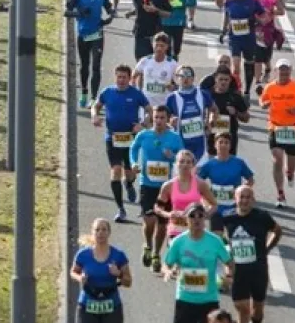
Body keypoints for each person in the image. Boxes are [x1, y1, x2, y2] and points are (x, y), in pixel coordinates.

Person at [91, 64, 150, 222]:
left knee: (130, 174)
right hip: (113, 138)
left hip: (131, 139)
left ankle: (129, 183)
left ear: (129, 78)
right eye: (119, 77)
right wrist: (94, 116)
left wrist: (142, 125)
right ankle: (120, 209)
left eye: (124, 77)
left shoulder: (136, 94)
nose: (121, 80)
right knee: (116, 170)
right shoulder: (108, 92)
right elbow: (95, 106)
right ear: (115, 77)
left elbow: (150, 110)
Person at [129, 106, 184, 273]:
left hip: (166, 187)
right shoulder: (144, 135)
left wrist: (172, 157)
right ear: (152, 118)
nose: (159, 120)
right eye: (156, 117)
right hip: (147, 184)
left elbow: (183, 157)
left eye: (162, 117)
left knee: (162, 225)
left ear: (167, 119)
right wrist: (134, 163)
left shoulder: (174, 138)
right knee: (149, 220)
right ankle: (147, 244)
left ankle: (156, 254)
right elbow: (133, 149)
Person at [163, 202, 233, 323]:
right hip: (185, 298)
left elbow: (229, 262)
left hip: (209, 299)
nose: (197, 219)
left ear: (205, 218)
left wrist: (228, 276)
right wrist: (168, 271)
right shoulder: (178, 242)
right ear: (186, 219)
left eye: (200, 215)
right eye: (192, 216)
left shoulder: (215, 241)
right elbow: (166, 264)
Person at [259, 59, 295, 208]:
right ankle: (280, 193)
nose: (284, 73)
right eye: (281, 70)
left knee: (291, 165)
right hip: (275, 128)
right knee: (277, 159)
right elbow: (262, 100)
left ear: (290, 71)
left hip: (293, 129)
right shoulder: (270, 87)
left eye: (286, 70)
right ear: (276, 71)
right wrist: (264, 105)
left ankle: (289, 173)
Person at [223, 185, 282, 323]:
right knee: (241, 306)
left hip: (258, 270)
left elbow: (277, 231)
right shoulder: (227, 218)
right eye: (241, 197)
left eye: (248, 197)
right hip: (239, 270)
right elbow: (224, 239)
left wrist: (268, 247)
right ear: (235, 198)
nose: (244, 200)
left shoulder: (262, 217)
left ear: (253, 200)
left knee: (257, 312)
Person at [70, 218, 132, 323]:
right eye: (97, 230)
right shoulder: (83, 254)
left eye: (104, 229)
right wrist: (80, 278)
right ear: (92, 232)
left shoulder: (118, 255)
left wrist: (119, 274)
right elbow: (73, 272)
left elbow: (128, 281)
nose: (100, 233)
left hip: (112, 306)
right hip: (87, 305)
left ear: (109, 232)